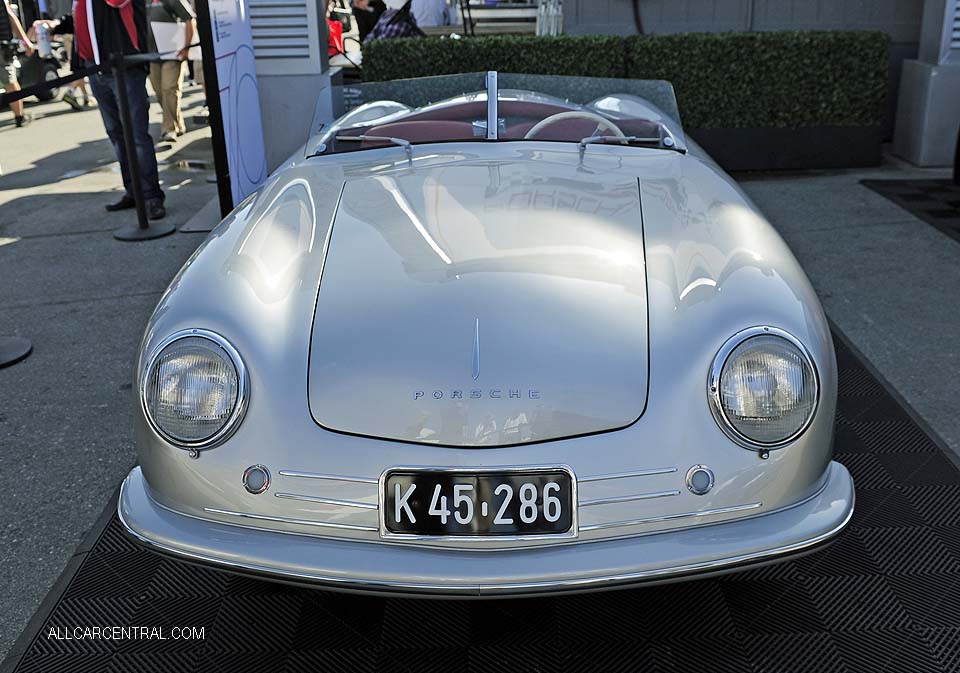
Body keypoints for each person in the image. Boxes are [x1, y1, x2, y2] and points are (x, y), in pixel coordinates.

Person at [50, 0, 165, 218]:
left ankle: (151, 197)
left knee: (136, 135)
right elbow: (85, 17)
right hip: (96, 67)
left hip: (124, 67)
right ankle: (134, 192)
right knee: (116, 134)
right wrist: (56, 24)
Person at [145, 0, 195, 143]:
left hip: (172, 53)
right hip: (151, 55)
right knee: (160, 92)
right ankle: (177, 122)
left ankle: (168, 128)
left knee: (169, 89)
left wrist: (186, 47)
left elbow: (189, 19)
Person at [1, 0, 35, 127]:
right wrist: (26, 41)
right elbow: (10, 15)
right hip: (2, 46)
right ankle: (19, 116)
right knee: (10, 82)